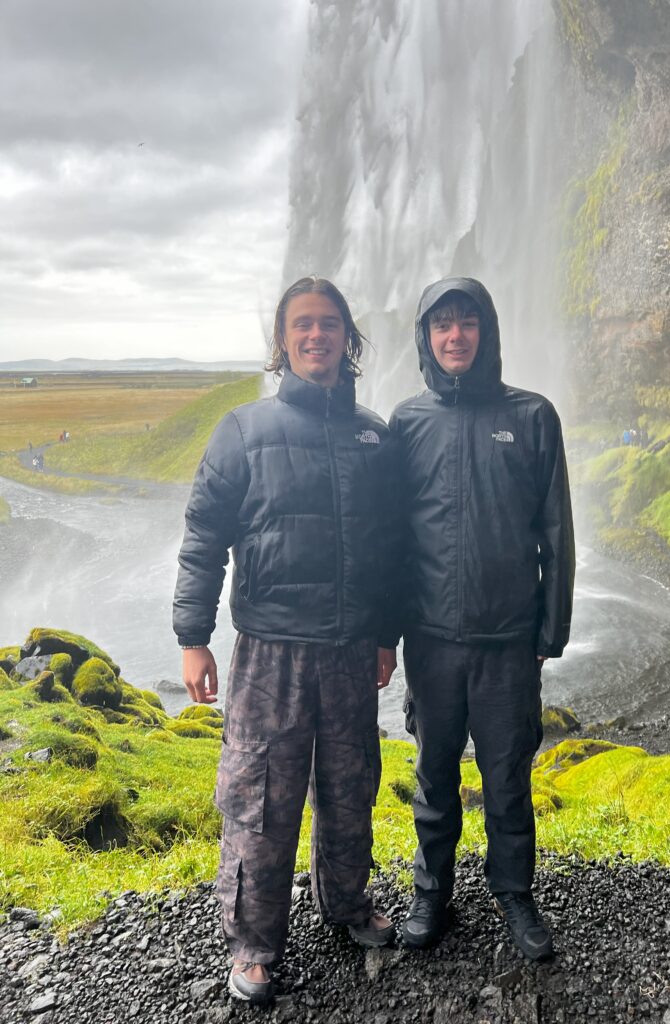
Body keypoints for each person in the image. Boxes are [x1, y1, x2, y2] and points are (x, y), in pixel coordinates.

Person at [173, 277, 400, 1005]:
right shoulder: (243, 430)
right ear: (282, 341)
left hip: (348, 648)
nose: (316, 336)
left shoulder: (373, 433)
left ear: (347, 339)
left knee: (349, 788)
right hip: (269, 651)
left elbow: (389, 547)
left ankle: (346, 906)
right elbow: (204, 539)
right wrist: (193, 637)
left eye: (329, 324)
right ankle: (253, 946)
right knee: (260, 801)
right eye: (302, 324)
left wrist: (384, 637)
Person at [389, 277, 575, 961]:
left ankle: (514, 895)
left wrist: (547, 636)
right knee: (435, 776)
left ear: (485, 332)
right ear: (427, 338)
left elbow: (555, 532)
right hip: (432, 641)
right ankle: (431, 891)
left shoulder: (531, 417)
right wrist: (388, 635)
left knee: (507, 777)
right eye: (443, 325)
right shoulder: (408, 423)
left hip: (507, 643)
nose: (455, 335)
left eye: (468, 323)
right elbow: (391, 538)